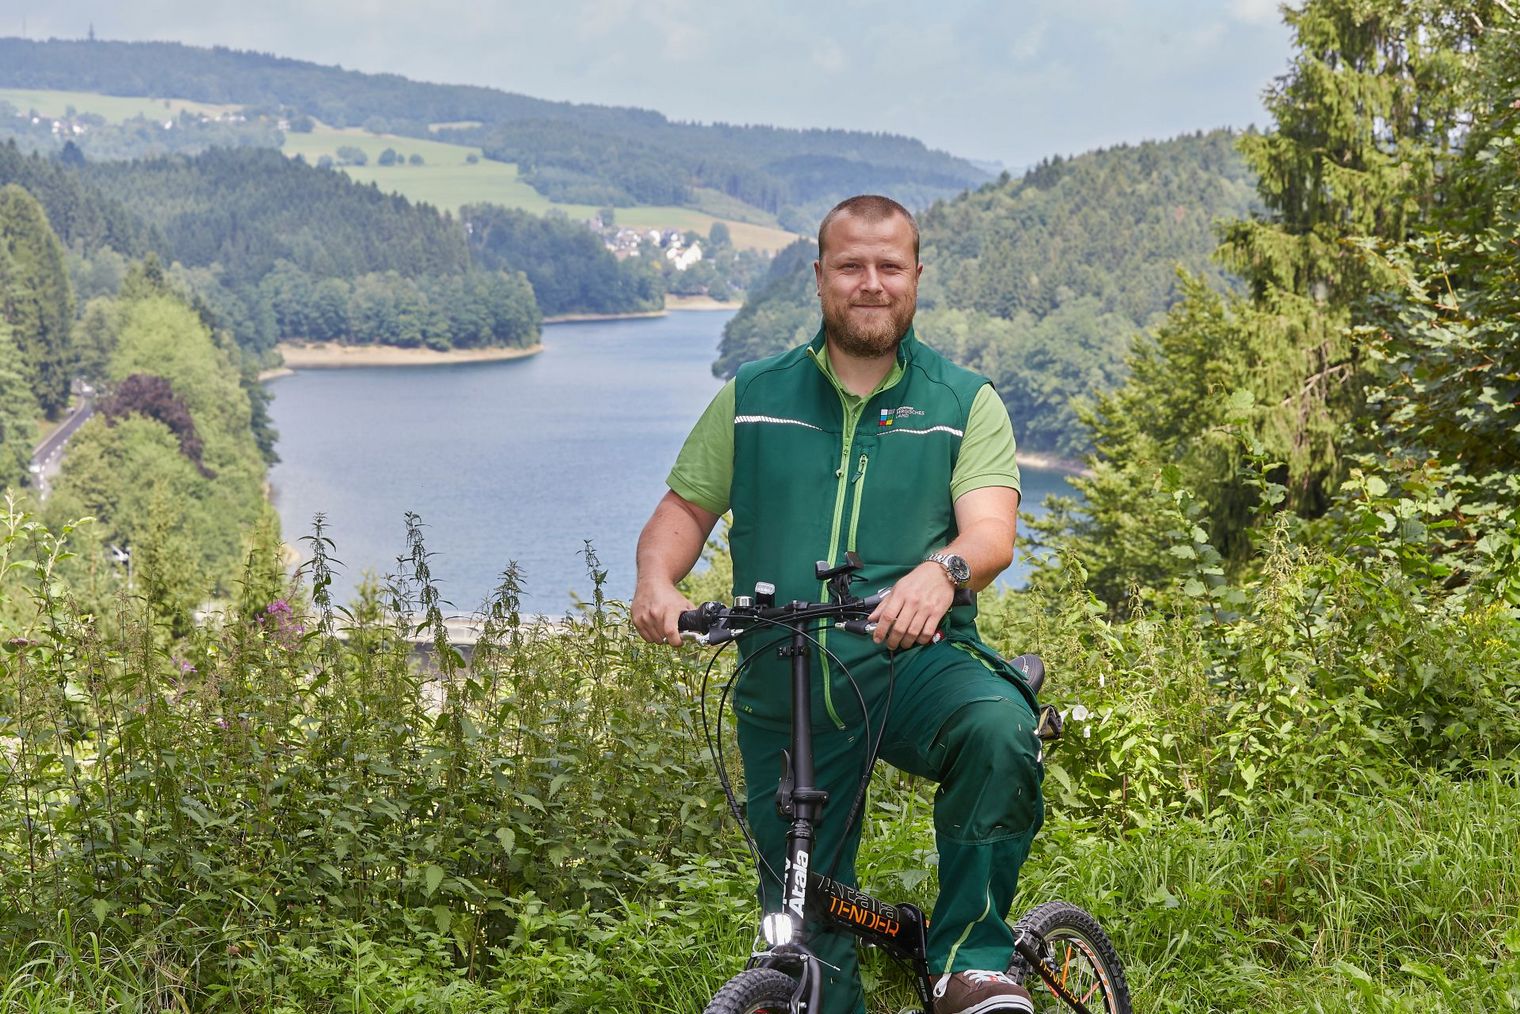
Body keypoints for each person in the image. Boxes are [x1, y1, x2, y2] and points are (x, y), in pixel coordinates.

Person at [632, 195, 1042, 1014]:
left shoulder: (963, 401)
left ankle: (971, 961)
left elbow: (990, 532)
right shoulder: (753, 395)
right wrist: (658, 584)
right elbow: (680, 515)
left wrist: (943, 572)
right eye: (851, 266)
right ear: (819, 277)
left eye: (889, 266)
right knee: (808, 919)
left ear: (916, 277)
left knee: (998, 727)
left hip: (910, 663)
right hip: (781, 677)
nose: (871, 283)